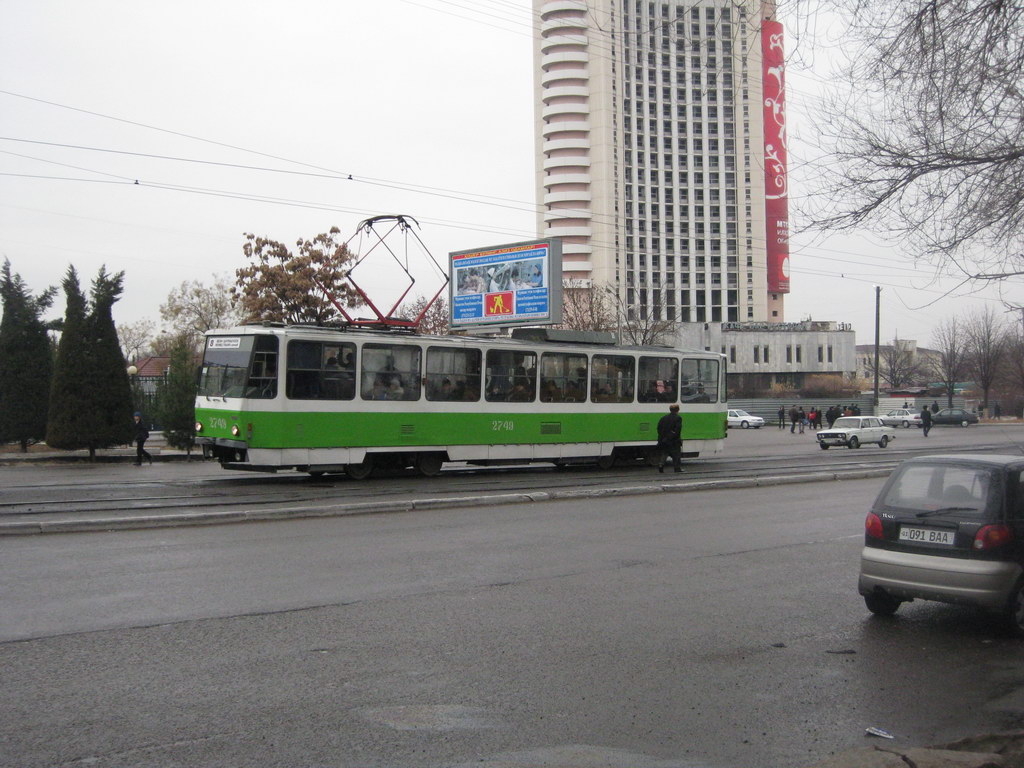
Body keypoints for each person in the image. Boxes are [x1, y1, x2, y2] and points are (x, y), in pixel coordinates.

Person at [656, 404, 683, 473]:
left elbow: (659, 428)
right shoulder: (678, 418)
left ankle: (661, 465)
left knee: (665, 453)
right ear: (678, 410)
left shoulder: (663, 418)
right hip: (673, 441)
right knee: (676, 454)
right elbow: (677, 430)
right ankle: (677, 468)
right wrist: (673, 437)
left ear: (670, 410)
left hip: (664, 440)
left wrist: (662, 437)